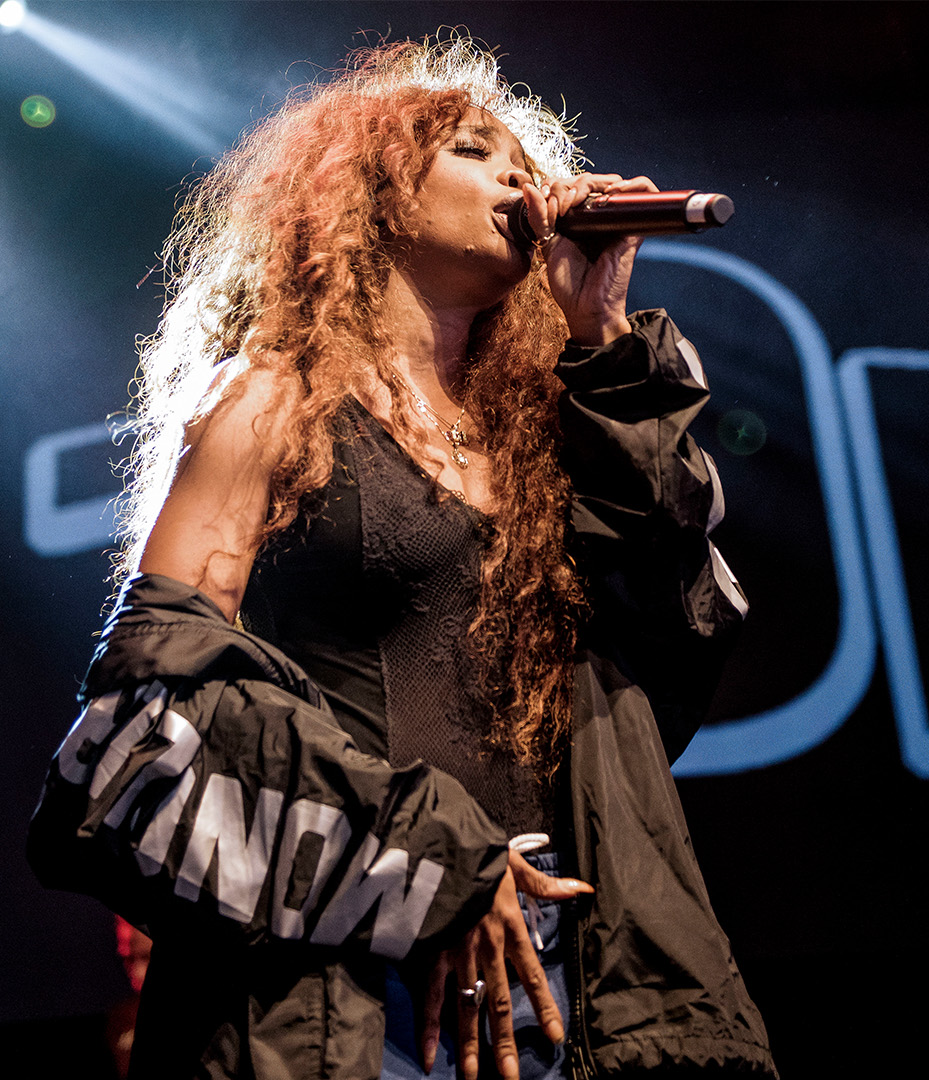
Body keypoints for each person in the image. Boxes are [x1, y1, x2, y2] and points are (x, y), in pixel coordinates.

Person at [27, 36, 773, 1080]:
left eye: (525, 162)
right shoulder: (272, 399)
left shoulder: (546, 430)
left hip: (575, 958)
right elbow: (154, 695)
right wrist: (429, 862)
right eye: (475, 150)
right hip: (354, 961)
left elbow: (676, 626)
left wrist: (601, 336)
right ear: (371, 196)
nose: (521, 180)